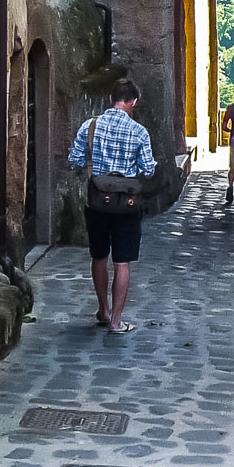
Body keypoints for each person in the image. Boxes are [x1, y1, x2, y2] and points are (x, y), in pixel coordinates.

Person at [69, 79, 156, 334]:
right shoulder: (139, 132)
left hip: (96, 202)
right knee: (122, 262)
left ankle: (103, 310)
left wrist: (91, 166)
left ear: (111, 97)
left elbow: (74, 161)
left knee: (98, 255)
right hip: (126, 206)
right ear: (133, 102)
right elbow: (148, 171)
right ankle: (117, 322)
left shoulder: (90, 126)